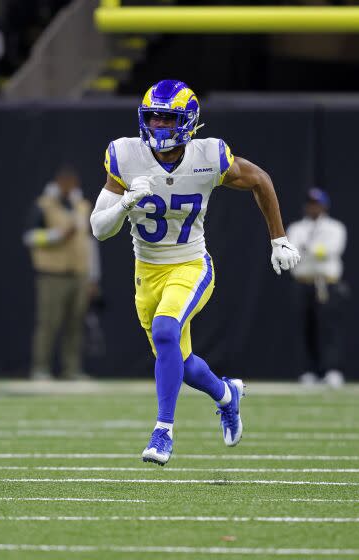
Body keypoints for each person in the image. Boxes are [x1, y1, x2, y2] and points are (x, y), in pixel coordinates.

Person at [90, 79, 300, 465]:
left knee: (166, 330)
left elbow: (260, 180)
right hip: (146, 271)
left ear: (187, 122)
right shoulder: (124, 154)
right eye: (152, 119)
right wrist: (124, 205)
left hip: (190, 264)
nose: (157, 127)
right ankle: (225, 394)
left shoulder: (209, 156)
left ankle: (163, 431)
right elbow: (99, 229)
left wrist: (279, 239)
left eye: (167, 120)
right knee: (180, 363)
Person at [23, 166, 100, 380]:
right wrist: (56, 236)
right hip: (52, 274)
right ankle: (40, 368)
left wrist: (93, 277)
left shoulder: (82, 207)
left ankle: (72, 369)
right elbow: (29, 237)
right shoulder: (44, 205)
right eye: (64, 183)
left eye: (71, 183)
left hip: (79, 274)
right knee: (48, 323)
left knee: (75, 325)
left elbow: (90, 243)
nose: (68, 187)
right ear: (57, 184)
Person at [287, 188, 348, 388]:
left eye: (317, 203)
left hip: (326, 284)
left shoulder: (334, 228)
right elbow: (291, 251)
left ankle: (332, 370)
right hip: (304, 282)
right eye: (310, 203)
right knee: (306, 327)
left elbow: (330, 251)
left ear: (324, 206)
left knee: (328, 329)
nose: (313, 207)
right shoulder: (296, 228)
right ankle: (309, 371)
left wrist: (308, 249)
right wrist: (312, 250)